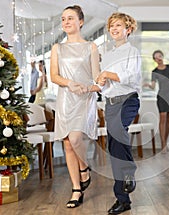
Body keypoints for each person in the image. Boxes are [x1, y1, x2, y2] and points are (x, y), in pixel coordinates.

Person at [50, 5, 101, 208]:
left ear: (81, 22)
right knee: (68, 144)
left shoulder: (91, 47)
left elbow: (97, 78)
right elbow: (54, 76)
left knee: (76, 137)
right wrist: (70, 83)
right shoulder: (57, 48)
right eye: (63, 19)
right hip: (65, 97)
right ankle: (76, 189)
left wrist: (88, 87)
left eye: (70, 18)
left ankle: (84, 168)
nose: (66, 22)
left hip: (85, 98)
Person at [96, 12, 141, 214]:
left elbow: (129, 77)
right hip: (111, 103)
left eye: (119, 25)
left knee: (116, 130)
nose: (114, 29)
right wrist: (100, 81)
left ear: (128, 29)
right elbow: (104, 83)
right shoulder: (107, 55)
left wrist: (107, 74)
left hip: (128, 100)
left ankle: (130, 170)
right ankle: (122, 199)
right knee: (114, 149)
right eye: (112, 26)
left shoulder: (133, 51)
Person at [144, 50, 169, 153]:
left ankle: (165, 142)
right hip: (162, 97)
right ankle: (163, 145)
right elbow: (153, 87)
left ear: (163, 56)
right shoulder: (155, 72)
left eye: (160, 56)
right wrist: (147, 85)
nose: (159, 58)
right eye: (156, 57)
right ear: (154, 60)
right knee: (163, 119)